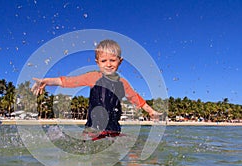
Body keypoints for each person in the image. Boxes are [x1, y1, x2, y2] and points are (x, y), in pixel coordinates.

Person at [31, 39, 162, 140]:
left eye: (112, 60)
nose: (109, 64)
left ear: (120, 61)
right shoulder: (93, 77)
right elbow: (68, 81)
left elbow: (135, 98)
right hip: (93, 131)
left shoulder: (123, 83)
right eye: (104, 60)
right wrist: (47, 81)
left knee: (126, 153)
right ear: (97, 62)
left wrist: (151, 111)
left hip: (114, 130)